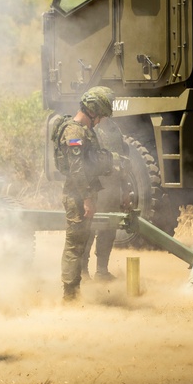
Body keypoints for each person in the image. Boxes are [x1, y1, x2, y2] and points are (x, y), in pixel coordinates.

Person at [53, 86, 119, 301]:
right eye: (100, 116)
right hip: (77, 196)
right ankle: (70, 295)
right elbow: (76, 169)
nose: (100, 121)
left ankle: (74, 291)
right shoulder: (74, 132)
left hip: (82, 194)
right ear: (93, 110)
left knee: (80, 243)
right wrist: (88, 199)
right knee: (74, 246)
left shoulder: (84, 130)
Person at [82, 120, 132, 282]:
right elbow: (83, 163)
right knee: (88, 230)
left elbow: (124, 160)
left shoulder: (114, 128)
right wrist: (86, 195)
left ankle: (102, 271)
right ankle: (83, 272)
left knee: (108, 230)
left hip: (113, 186)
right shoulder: (88, 128)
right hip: (96, 187)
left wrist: (125, 190)